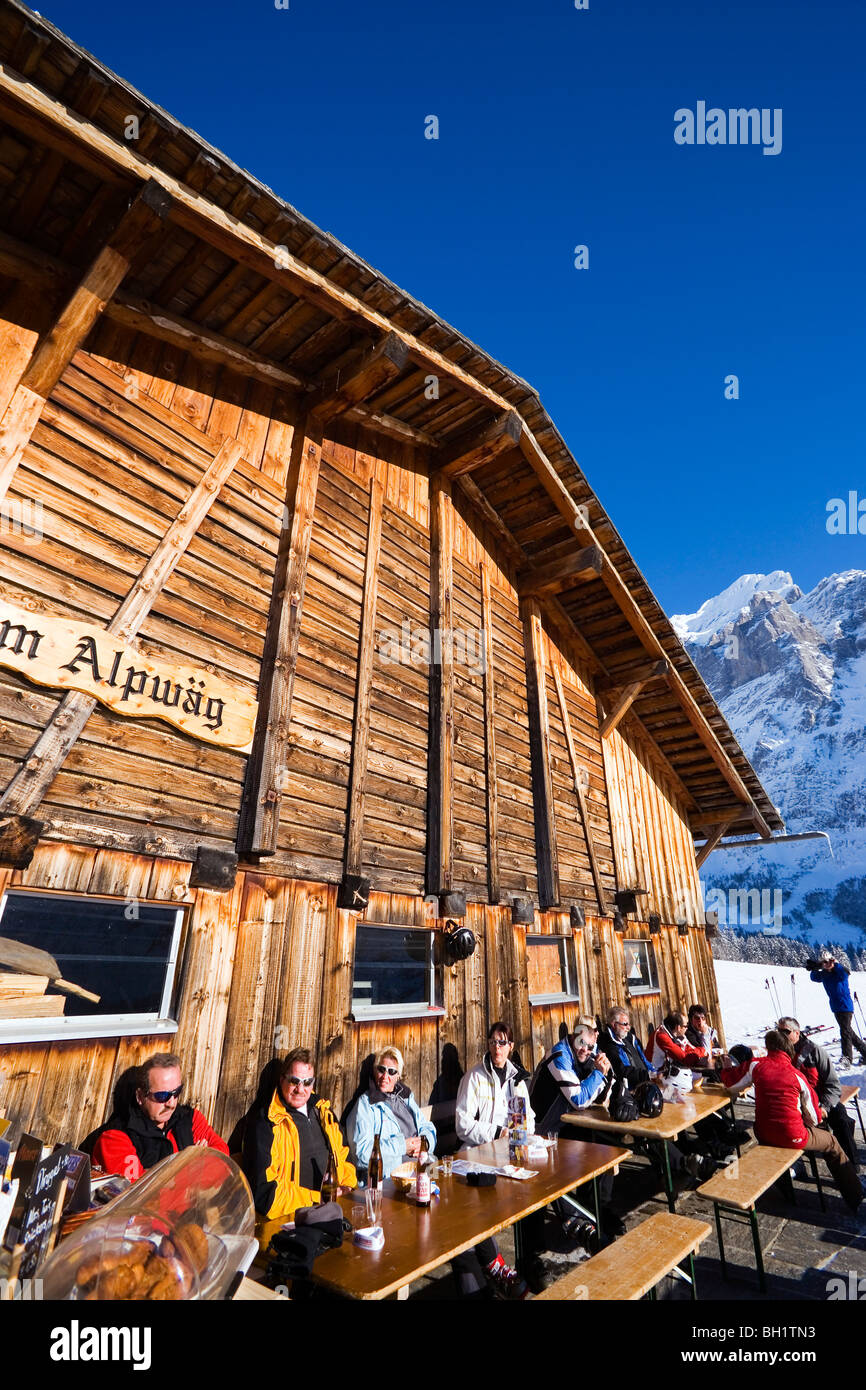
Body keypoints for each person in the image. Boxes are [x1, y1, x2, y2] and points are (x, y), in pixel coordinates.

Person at [242, 1047, 356, 1247]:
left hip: (336, 1209)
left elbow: (344, 1155)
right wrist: (317, 1199)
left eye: (307, 1082)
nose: (300, 1089)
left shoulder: (323, 1111)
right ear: (282, 1080)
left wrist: (347, 1187)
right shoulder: (266, 1122)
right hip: (293, 1224)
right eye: (294, 1081)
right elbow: (265, 1194)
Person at [745, 1030, 863, 1212]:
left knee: (837, 1119)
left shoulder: (757, 1066)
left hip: (763, 1132)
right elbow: (814, 1118)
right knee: (831, 1142)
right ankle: (855, 1195)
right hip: (791, 1134)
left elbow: (733, 1084)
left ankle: (786, 1189)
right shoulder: (795, 1074)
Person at [86, 1052, 228, 1181]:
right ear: (140, 1097)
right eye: (162, 1096)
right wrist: (190, 1166)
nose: (171, 1103)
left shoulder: (190, 1119)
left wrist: (161, 1175)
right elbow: (138, 1193)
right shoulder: (115, 1138)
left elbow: (222, 1156)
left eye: (177, 1092)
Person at [345, 1046, 436, 1179]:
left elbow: (426, 1126)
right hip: (392, 1178)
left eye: (391, 1071)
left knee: (446, 1189)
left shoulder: (405, 1097)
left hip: (423, 1167)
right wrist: (401, 1147)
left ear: (398, 1075)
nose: (385, 1076)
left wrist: (425, 1144)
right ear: (375, 1071)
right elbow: (361, 1155)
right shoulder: (366, 1104)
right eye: (381, 1070)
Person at [777, 1015, 857, 1165]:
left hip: (820, 1099)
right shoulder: (778, 1053)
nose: (781, 1035)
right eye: (778, 1031)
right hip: (795, 1103)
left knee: (842, 1120)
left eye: (785, 1032)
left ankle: (851, 1166)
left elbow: (833, 1085)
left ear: (797, 1032)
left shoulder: (814, 1051)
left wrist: (825, 1107)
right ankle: (796, 1164)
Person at [456, 1022, 535, 1146]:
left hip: (512, 1147)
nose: (497, 1047)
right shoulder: (475, 1077)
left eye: (502, 1043)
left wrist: (519, 1134)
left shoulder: (517, 1080)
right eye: (493, 1042)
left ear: (511, 1046)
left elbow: (529, 1119)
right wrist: (498, 1133)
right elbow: (463, 1124)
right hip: (480, 1149)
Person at [807, 952, 866, 1070]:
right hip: (835, 1007)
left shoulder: (839, 972)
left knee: (845, 1032)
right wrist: (815, 968)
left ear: (833, 961)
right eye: (824, 962)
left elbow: (844, 974)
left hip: (845, 1006)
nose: (826, 964)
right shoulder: (824, 974)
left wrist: (835, 964)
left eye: (828, 961)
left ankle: (847, 1058)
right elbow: (814, 978)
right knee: (848, 1031)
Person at [598, 1005, 653, 1086]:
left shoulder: (630, 1039)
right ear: (614, 1025)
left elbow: (643, 1060)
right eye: (625, 1024)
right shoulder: (609, 1045)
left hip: (646, 1082)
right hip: (632, 1089)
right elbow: (622, 1071)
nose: (628, 1028)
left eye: (628, 1024)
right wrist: (647, 1075)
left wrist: (653, 1072)